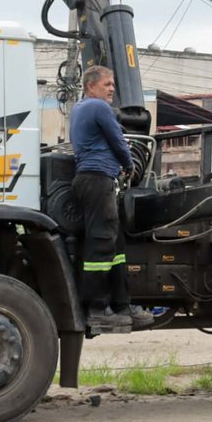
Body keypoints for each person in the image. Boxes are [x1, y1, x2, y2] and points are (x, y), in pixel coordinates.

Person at [70, 66, 154, 333]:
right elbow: (118, 141)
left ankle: (121, 304)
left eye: (113, 84)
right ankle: (97, 309)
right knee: (101, 242)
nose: (112, 88)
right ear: (91, 86)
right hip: (98, 179)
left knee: (115, 244)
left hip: (90, 180)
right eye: (107, 84)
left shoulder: (79, 109)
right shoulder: (98, 108)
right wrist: (129, 165)